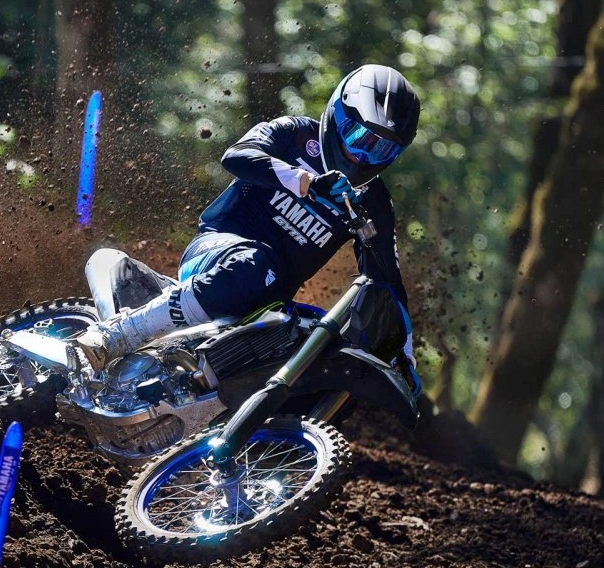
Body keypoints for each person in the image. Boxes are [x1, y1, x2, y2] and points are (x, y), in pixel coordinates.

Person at [74, 63, 420, 384]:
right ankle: (117, 335)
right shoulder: (293, 133)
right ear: (337, 116)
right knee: (255, 265)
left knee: (325, 340)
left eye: (381, 151)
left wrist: (404, 355)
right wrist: (307, 183)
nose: (363, 156)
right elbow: (237, 156)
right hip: (215, 252)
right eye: (359, 137)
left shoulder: (373, 201)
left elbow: (386, 281)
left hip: (268, 301)